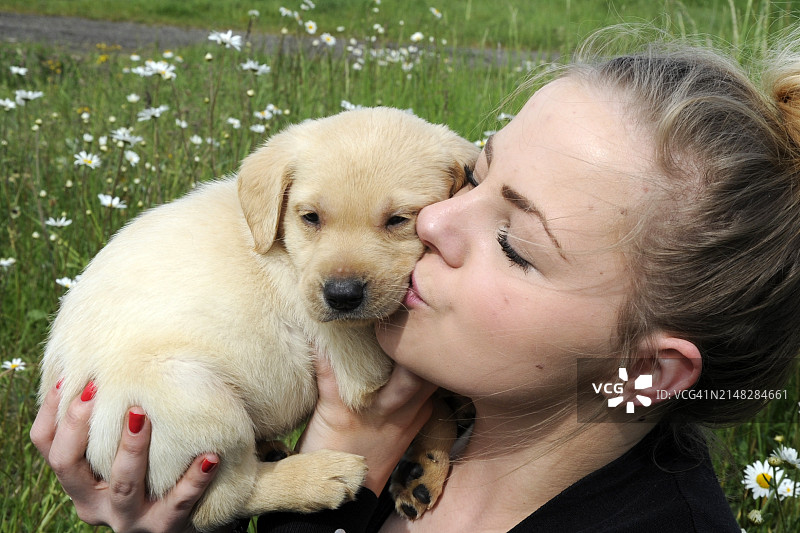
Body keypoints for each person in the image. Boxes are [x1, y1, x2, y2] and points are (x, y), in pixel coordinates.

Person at [31, 27, 800, 533]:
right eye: (476, 176)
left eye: (514, 242)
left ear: (650, 369)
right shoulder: (408, 405)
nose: (433, 222)